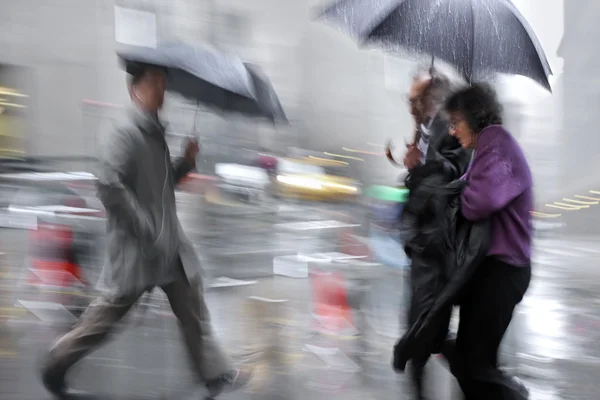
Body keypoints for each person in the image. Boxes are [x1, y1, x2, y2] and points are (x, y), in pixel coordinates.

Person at [40, 64, 250, 399]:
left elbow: (161, 184)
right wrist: (145, 227)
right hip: (139, 248)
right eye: (154, 84)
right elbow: (109, 183)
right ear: (134, 90)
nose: (162, 91)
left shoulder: (155, 135)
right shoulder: (125, 132)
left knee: (192, 307)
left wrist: (186, 162)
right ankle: (56, 363)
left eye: (164, 85)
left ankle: (213, 374)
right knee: (107, 318)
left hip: (170, 247)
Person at [388, 65, 471, 400]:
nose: (409, 106)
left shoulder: (448, 129)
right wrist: (413, 167)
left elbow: (445, 184)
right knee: (425, 334)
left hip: (436, 248)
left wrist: (418, 169)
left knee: (421, 336)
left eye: (414, 98)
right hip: (428, 248)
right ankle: (480, 381)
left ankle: (486, 384)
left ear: (431, 97)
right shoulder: (430, 130)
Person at [445, 83, 532, 399]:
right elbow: (461, 190)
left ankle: (515, 396)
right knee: (473, 361)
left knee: (474, 366)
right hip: (490, 271)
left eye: (456, 122)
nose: (453, 131)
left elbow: (477, 202)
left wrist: (457, 194)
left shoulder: (496, 146)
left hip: (504, 271)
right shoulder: (487, 148)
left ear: (474, 116)